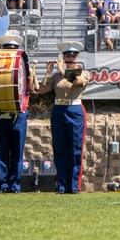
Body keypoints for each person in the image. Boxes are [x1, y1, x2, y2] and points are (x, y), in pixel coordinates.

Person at [39, 40, 90, 194]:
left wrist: (62, 70)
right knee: (60, 148)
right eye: (67, 55)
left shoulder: (83, 72)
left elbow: (77, 82)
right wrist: (49, 72)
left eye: (72, 55)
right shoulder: (56, 75)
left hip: (75, 109)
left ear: (77, 58)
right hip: (59, 109)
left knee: (75, 149)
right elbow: (42, 90)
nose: (69, 57)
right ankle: (62, 185)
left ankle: (74, 186)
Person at [0, 33, 37, 193]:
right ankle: (2, 185)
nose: (10, 53)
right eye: (7, 50)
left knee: (17, 151)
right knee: (1, 151)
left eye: (13, 50)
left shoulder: (27, 67)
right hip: (1, 112)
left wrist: (32, 89)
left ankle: (14, 185)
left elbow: (34, 91)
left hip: (19, 114)